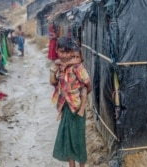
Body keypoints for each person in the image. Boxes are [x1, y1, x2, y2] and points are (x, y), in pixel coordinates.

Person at [50, 37, 92, 167]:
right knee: (67, 140)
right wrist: (54, 69)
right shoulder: (60, 67)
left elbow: (88, 85)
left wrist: (81, 99)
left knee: (78, 141)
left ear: (71, 52)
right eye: (61, 52)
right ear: (57, 51)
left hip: (77, 109)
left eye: (67, 52)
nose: (64, 55)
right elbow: (54, 83)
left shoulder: (77, 67)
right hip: (66, 108)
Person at [54, 46, 88, 121]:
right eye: (73, 57)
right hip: (66, 90)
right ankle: (60, 112)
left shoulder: (78, 67)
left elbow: (87, 82)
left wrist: (68, 62)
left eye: (77, 57)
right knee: (62, 94)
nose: (75, 59)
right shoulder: (65, 65)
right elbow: (56, 62)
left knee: (84, 90)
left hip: (78, 90)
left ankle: (82, 110)